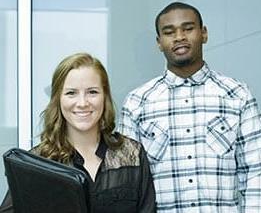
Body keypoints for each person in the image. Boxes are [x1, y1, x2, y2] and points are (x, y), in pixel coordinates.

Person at [118, 2, 261, 212]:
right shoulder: (136, 103)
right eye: (169, 32)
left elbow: (258, 173)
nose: (179, 36)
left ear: (204, 34)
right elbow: (128, 183)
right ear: (159, 42)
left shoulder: (237, 95)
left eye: (188, 28)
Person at [0, 52, 156, 213]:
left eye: (92, 92)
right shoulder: (35, 164)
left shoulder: (133, 155)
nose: (82, 103)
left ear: (105, 97)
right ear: (58, 99)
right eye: (71, 93)